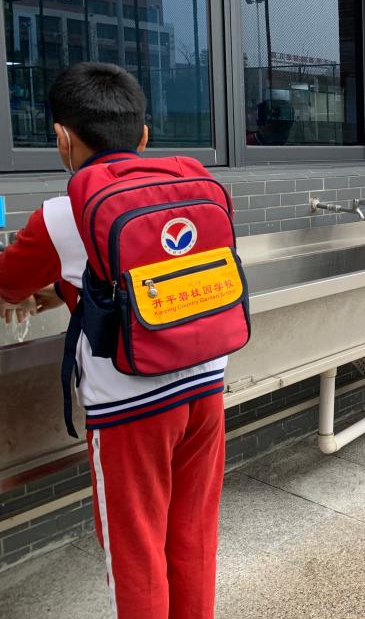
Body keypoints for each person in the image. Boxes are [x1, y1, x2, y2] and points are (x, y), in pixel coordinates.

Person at [0, 63, 226, 618]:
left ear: (62, 138)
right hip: (206, 386)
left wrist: (46, 290)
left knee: (136, 551)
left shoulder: (60, 215)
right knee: (193, 535)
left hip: (130, 408)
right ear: (143, 136)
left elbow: (8, 284)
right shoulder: (188, 187)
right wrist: (65, 289)